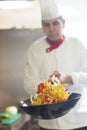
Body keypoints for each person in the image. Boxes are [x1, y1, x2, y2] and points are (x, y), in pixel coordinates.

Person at [24, 0, 87, 129]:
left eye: (55, 23)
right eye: (46, 25)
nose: (51, 29)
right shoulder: (34, 49)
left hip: (77, 120)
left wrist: (68, 78)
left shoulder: (77, 44)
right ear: (42, 26)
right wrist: (46, 86)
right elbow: (28, 83)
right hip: (48, 122)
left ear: (63, 23)